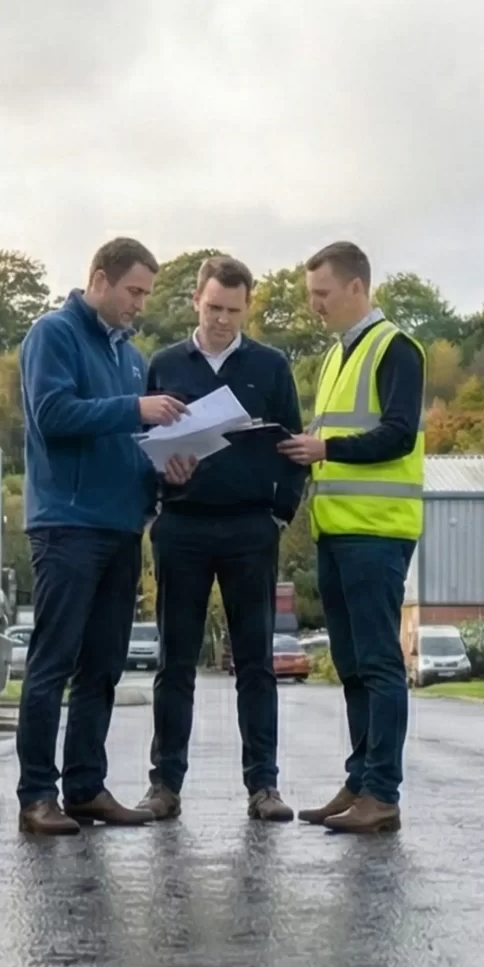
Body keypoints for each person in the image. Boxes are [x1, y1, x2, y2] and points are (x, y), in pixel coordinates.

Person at [14, 238, 194, 836]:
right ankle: (38, 796)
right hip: (67, 524)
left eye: (145, 294)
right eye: (133, 291)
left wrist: (163, 468)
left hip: (121, 526)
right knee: (52, 663)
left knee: (103, 668)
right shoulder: (53, 334)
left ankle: (85, 788)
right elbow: (54, 416)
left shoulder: (131, 358)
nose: (140, 304)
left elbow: (126, 440)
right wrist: (136, 408)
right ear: (99, 280)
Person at [135, 256, 306, 825]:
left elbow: (293, 447)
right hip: (182, 527)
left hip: (250, 528)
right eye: (213, 308)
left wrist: (280, 514)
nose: (222, 320)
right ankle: (165, 785)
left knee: (256, 662)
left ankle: (264, 786)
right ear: (195, 301)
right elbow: (139, 445)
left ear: (248, 307)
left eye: (234, 311)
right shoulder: (163, 364)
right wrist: (163, 480)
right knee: (175, 661)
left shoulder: (270, 366)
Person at [277, 240, 422, 834]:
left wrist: (326, 448)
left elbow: (399, 434)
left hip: (377, 533)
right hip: (337, 532)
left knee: (380, 663)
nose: (315, 306)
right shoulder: (337, 356)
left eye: (322, 294)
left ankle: (382, 793)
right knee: (353, 664)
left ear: (356, 288)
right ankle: (360, 779)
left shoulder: (396, 349)